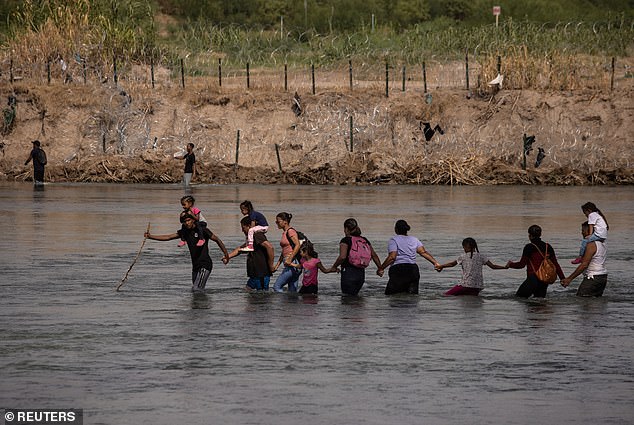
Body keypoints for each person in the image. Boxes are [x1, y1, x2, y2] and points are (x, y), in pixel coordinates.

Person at [144, 213, 229, 293]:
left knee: (197, 289)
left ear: (193, 220)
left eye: (188, 220)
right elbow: (168, 237)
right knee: (197, 289)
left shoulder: (202, 231)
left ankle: (202, 307)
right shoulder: (185, 232)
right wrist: (150, 237)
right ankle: (199, 308)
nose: (187, 223)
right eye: (185, 222)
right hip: (195, 266)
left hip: (205, 264)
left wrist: (226, 254)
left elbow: (217, 239)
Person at [376, 219, 441, 295]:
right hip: (413, 270)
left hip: (399, 270)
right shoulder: (414, 239)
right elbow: (423, 252)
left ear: (396, 229)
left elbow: (392, 257)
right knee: (412, 297)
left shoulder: (394, 240)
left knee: (391, 295)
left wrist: (381, 268)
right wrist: (435, 263)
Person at [506, 224, 565, 298]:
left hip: (533, 279)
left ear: (529, 235)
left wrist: (510, 264)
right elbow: (556, 265)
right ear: (540, 234)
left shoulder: (529, 247)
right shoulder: (548, 247)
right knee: (540, 304)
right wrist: (562, 278)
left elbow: (521, 265)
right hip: (544, 281)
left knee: (518, 298)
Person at [436, 237, 507, 296]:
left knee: (445, 296)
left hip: (465, 285)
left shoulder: (463, 256)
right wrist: (505, 267)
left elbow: (452, 264)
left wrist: (441, 266)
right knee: (472, 302)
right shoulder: (481, 256)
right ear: (475, 247)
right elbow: (493, 266)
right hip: (477, 287)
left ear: (464, 247)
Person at [329, 218, 381, 296]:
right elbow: (374, 255)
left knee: (347, 300)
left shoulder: (345, 240)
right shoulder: (364, 240)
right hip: (361, 275)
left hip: (348, 273)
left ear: (346, 229)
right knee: (356, 300)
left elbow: (342, 257)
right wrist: (380, 268)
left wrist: (334, 266)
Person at [227, 216, 276, 291]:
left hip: (261, 273)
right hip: (254, 274)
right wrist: (227, 257)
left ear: (249, 226)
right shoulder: (251, 239)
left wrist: (271, 265)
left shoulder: (257, 235)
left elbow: (270, 247)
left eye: (243, 228)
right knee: (248, 292)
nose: (242, 231)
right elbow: (240, 249)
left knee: (262, 296)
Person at [562, 221, 608, 296]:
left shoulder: (591, 245)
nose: (582, 233)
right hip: (602, 277)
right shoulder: (602, 243)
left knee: (582, 299)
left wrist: (569, 279)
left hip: (593, 277)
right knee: (595, 303)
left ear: (590, 231)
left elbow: (584, 265)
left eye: (583, 230)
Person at [272, 212, 302, 293]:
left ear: (285, 221)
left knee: (276, 287)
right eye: (276, 222)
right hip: (292, 264)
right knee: (292, 291)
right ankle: (291, 305)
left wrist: (290, 258)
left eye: (278, 221)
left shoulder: (290, 231)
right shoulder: (285, 233)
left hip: (292, 264)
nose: (276, 223)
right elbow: (284, 251)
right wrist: (277, 265)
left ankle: (282, 305)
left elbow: (297, 245)